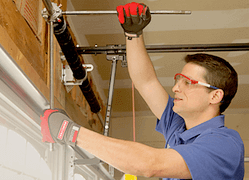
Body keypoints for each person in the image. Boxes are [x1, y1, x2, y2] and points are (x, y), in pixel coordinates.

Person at [41, 2, 244, 179]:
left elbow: (151, 165)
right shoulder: (178, 126)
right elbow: (146, 82)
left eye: (188, 82)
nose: (175, 88)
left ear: (215, 95)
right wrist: (133, 34)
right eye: (177, 80)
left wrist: (69, 132)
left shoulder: (225, 144)